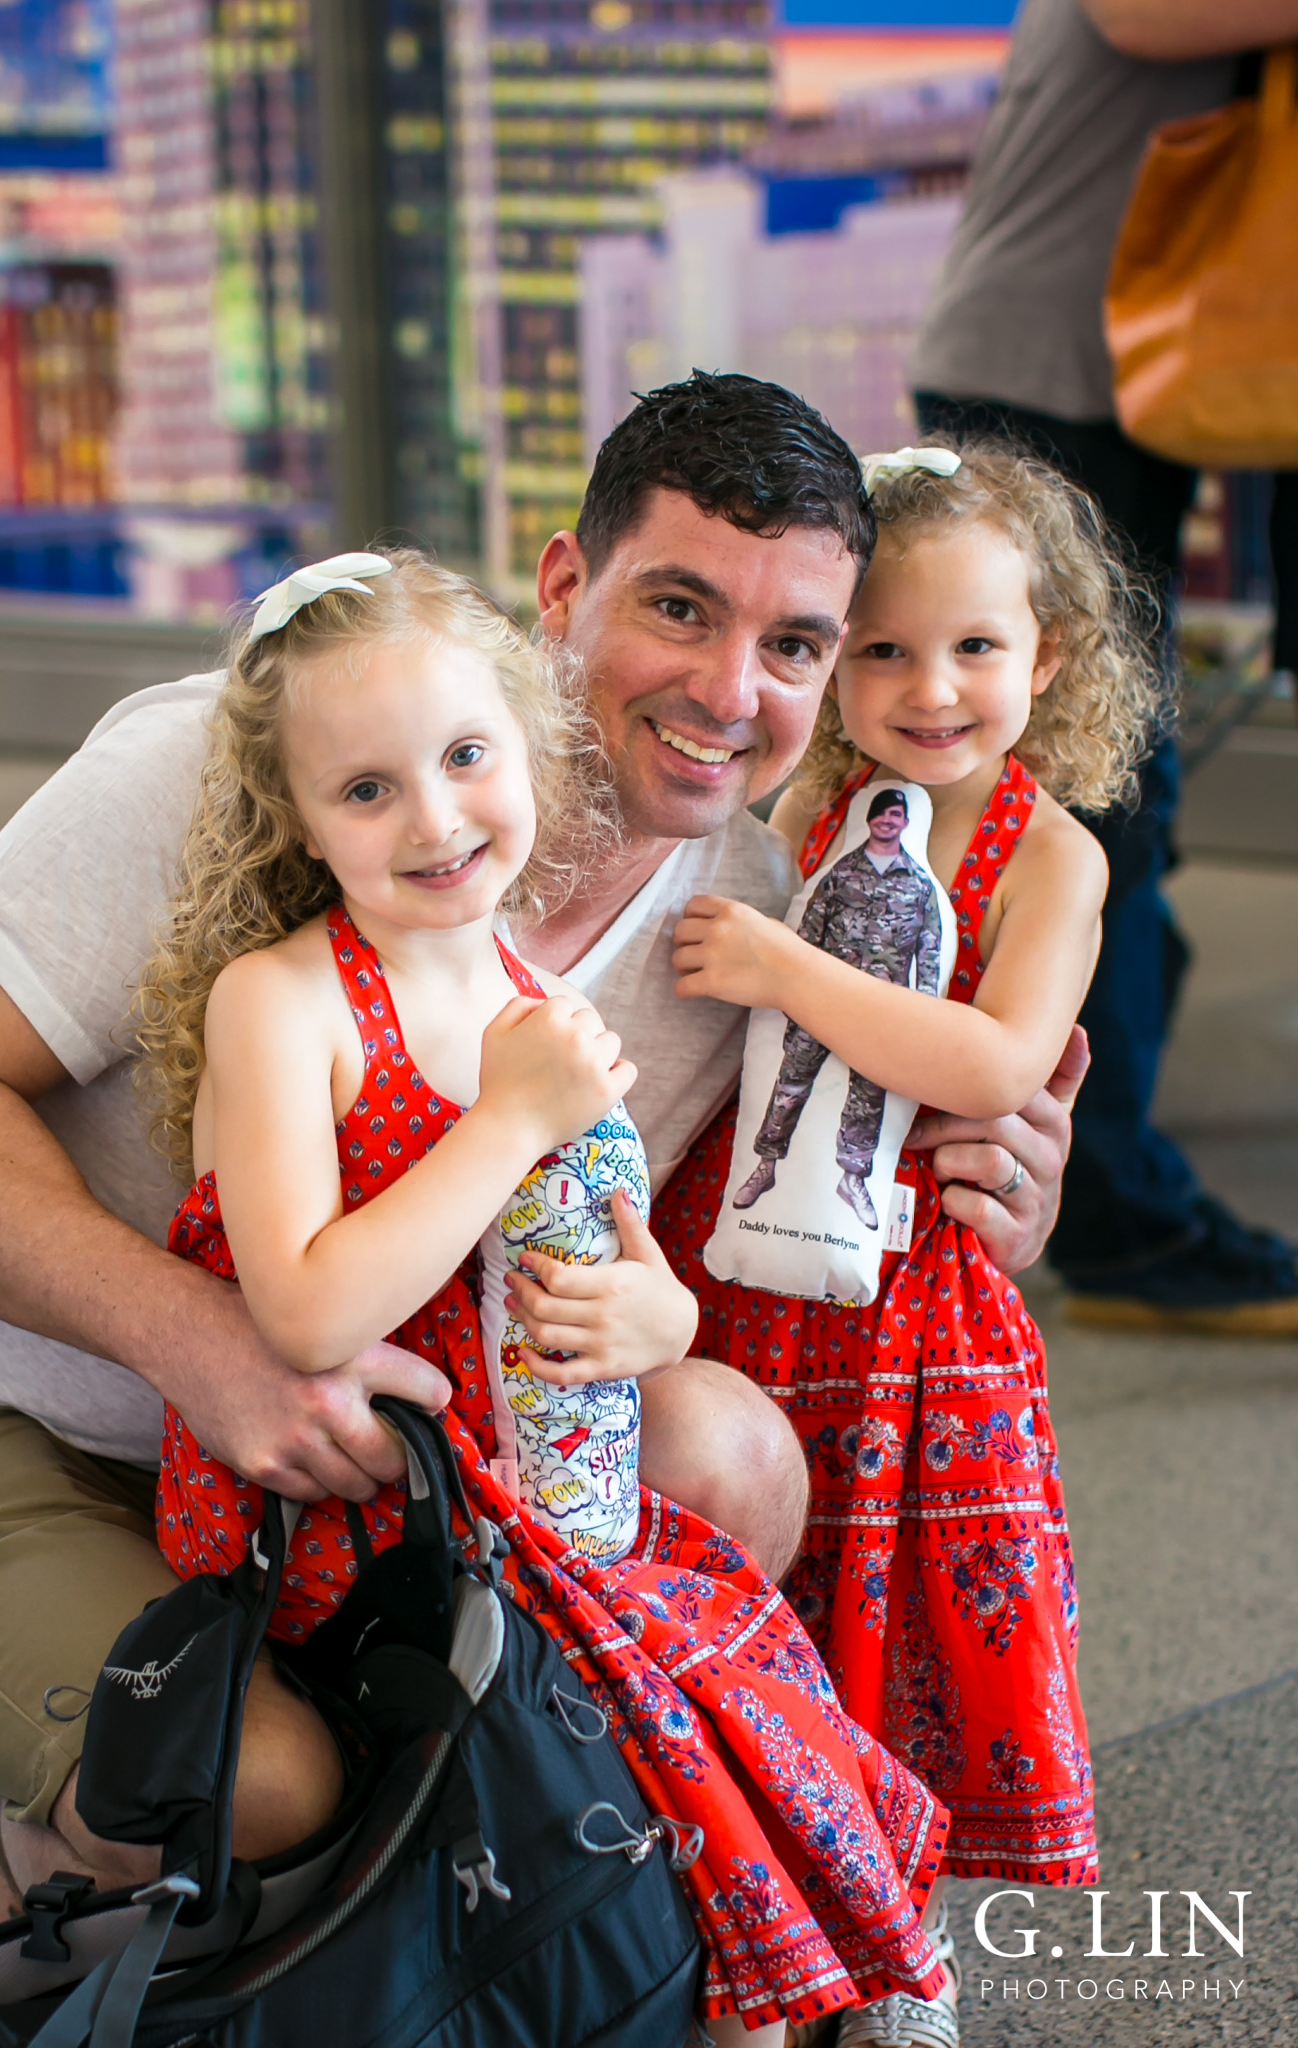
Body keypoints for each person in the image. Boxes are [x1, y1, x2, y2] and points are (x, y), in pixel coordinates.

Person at [0, 373, 1076, 1955]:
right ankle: (26, 1865)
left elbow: (735, 1258)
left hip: (395, 1460)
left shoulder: (750, 922)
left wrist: (994, 1176)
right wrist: (196, 1342)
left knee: (728, 1450)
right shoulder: (243, 759)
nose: (731, 691)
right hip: (26, 1411)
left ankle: (525, 1904)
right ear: (562, 586)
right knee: (254, 1783)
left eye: (797, 646)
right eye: (678, 606)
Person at [136, 544, 965, 2045]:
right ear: (302, 819)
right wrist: (507, 1120)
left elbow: (627, 1266)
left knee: (735, 1669)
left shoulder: (531, 998)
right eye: (368, 789)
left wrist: (662, 1326)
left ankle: (765, 1990)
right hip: (346, 1508)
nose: (438, 815)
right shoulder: (287, 1003)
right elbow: (308, 1319)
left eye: (466, 756)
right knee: (651, 1708)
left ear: (529, 750)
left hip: (523, 1479)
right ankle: (716, 1981)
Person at [659, 438, 1150, 2044]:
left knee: (903, 1627)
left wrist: (785, 974)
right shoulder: (800, 804)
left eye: (975, 648)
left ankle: (895, 1957)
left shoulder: (1047, 850)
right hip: (743, 1273)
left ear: (1049, 656)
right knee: (770, 1619)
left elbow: (998, 1065)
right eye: (879, 647)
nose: (928, 687)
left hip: (913, 1309)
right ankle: (767, 1930)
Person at [911, 0, 1298, 1334]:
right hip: (1050, 383)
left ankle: (1095, 1123)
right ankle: (1123, 1217)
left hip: (1116, 373)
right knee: (1095, 817)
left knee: (1120, 805)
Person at [733, 787, 943, 1226]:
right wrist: (791, 1003)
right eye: (880, 814)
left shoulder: (919, 886)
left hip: (879, 1017)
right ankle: (766, 1166)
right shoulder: (839, 875)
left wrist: (922, 1023)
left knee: (867, 1099)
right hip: (815, 1004)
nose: (887, 820)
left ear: (904, 822)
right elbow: (806, 936)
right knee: (789, 1087)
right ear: (869, 821)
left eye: (895, 815)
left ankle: (852, 1179)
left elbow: (929, 955)